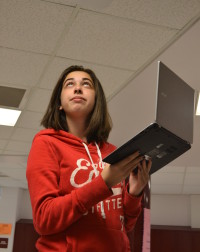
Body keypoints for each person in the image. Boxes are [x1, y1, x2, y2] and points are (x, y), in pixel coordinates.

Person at [26, 65, 151, 252]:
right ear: (59, 103)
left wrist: (134, 193)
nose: (78, 88)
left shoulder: (112, 152)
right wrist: (104, 182)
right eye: (70, 84)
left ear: (96, 100)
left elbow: (124, 226)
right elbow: (44, 220)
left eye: (86, 84)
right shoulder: (46, 142)